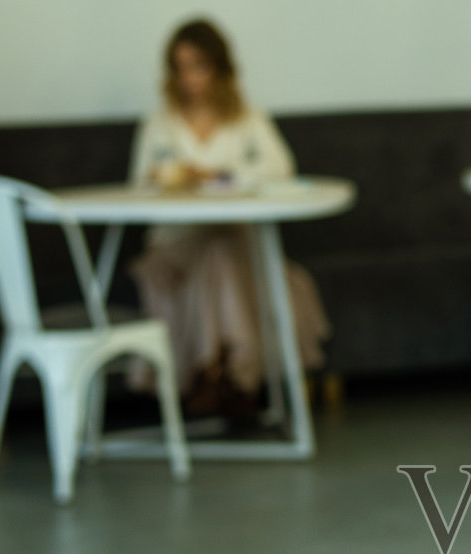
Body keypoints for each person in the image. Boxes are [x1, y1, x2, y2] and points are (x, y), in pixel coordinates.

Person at [127, 18, 330, 418]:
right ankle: (235, 376)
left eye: (198, 66)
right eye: (180, 67)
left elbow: (281, 171)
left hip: (235, 237)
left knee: (222, 252)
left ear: (219, 67)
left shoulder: (246, 119)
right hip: (179, 242)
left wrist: (218, 176)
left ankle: (217, 372)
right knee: (216, 255)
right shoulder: (161, 122)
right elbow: (139, 185)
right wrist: (171, 178)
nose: (189, 78)